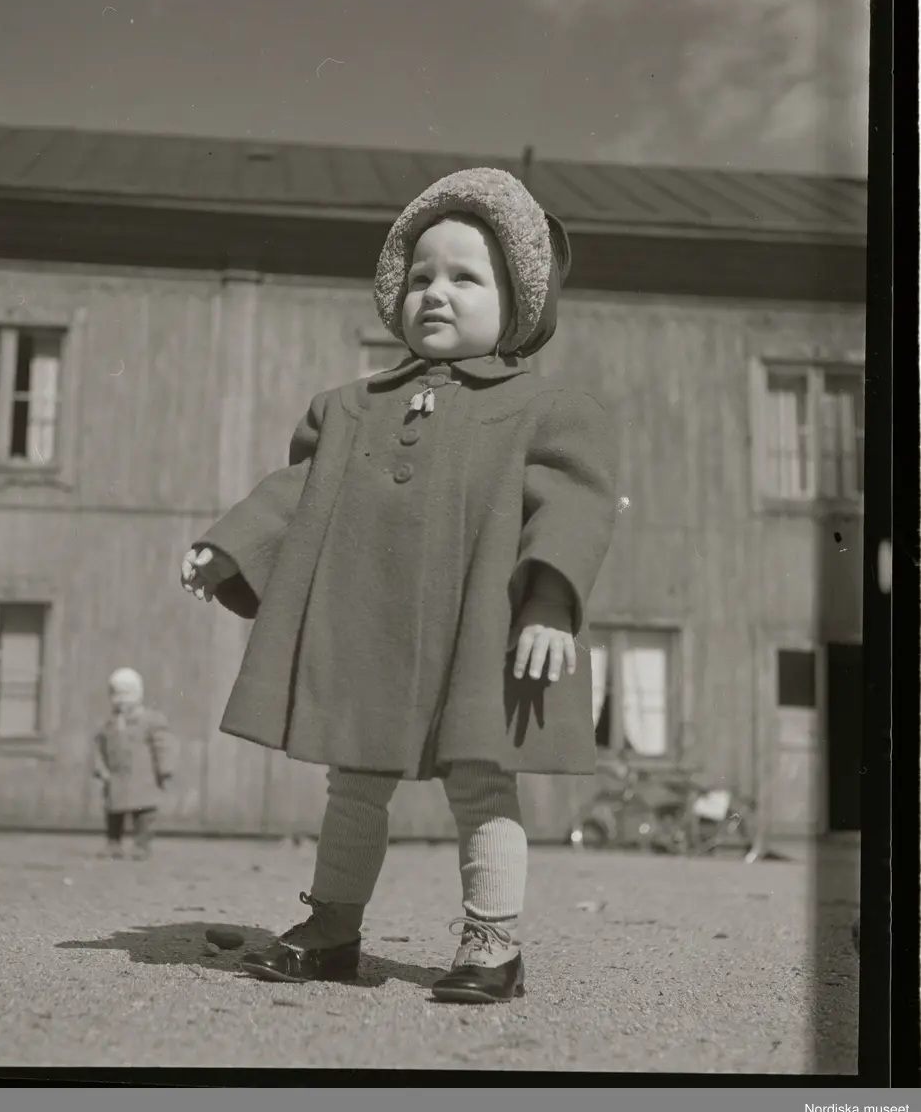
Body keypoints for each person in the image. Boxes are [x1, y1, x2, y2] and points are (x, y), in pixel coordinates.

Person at [181, 168, 618, 1003]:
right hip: (369, 628)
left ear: (518, 303)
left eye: (465, 277)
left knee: (482, 781)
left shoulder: (547, 411)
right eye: (420, 277)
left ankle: (491, 943)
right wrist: (228, 548)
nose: (435, 293)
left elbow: (573, 509)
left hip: (481, 628)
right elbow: (294, 493)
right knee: (352, 781)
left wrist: (548, 604)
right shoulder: (349, 408)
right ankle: (331, 929)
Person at [92, 668, 175, 860]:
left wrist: (165, 769)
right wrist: (100, 768)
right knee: (114, 813)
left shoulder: (151, 721)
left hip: (142, 777)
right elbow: (99, 747)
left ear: (138, 694)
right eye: (116, 695)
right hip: (116, 777)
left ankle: (142, 845)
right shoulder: (109, 725)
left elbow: (163, 745)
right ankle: (113, 843)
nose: (121, 700)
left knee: (144, 814)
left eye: (126, 694)